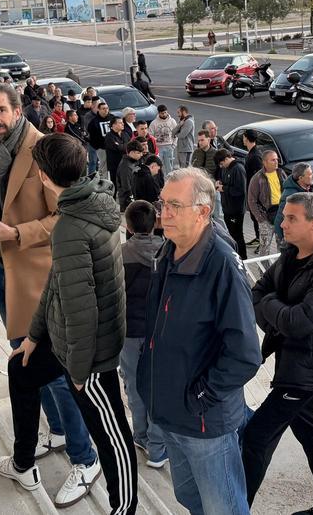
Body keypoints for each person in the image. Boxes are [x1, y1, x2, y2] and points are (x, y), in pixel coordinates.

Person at [0, 83, 102, 507]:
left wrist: (18, 234)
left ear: (17, 108)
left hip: (40, 282)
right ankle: (60, 433)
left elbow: (69, 213)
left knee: (53, 372)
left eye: (1, 111)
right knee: (23, 362)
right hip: (2, 274)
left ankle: (87, 458)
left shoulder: (44, 149)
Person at [1, 135, 138, 514]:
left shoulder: (70, 227)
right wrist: (33, 337)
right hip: (67, 342)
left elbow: (82, 310)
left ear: (44, 176)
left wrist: (79, 373)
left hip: (90, 356)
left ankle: (123, 508)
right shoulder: (93, 201)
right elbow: (59, 282)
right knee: (21, 367)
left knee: (112, 438)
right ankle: (23, 464)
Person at [137, 168, 260, 515]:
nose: (165, 214)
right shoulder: (168, 250)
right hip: (169, 412)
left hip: (204, 423)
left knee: (224, 508)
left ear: (203, 212)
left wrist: (201, 396)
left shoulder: (221, 265)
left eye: (175, 205)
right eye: (163, 204)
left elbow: (246, 354)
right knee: (191, 500)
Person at [242, 192, 313, 514]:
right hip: (291, 357)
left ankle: (234, 507)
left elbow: (297, 322)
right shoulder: (291, 255)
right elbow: (257, 292)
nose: (282, 223)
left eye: (291, 218)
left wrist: (273, 307)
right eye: (283, 216)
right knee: (312, 434)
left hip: (308, 365)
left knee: (256, 438)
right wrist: (276, 308)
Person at [119, 201, 168, 469]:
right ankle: (158, 448)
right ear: (155, 223)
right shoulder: (167, 254)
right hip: (159, 333)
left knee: (134, 385)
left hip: (128, 333)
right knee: (158, 387)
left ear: (127, 226)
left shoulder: (119, 254)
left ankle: (140, 435)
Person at [247, 150, 287, 255]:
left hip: (281, 215)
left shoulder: (280, 173)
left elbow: (287, 190)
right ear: (265, 162)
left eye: (276, 159)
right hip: (266, 217)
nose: (276, 162)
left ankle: (281, 269)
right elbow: (251, 200)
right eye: (273, 160)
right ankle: (264, 271)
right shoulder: (257, 178)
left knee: (282, 245)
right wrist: (260, 219)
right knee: (265, 248)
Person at [215, 149, 248, 259]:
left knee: (237, 236)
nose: (221, 166)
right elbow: (224, 180)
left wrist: (223, 188)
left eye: (221, 163)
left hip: (236, 209)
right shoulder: (226, 168)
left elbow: (240, 190)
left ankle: (242, 259)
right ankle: (236, 257)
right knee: (232, 235)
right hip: (227, 208)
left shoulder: (238, 169)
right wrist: (220, 182)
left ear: (226, 159)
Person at [273, 162, 313, 249]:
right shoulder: (290, 196)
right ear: (301, 178)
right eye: (310, 174)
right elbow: (281, 218)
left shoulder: (306, 189)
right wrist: (284, 239)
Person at [87, 100, 115, 179]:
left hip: (113, 147)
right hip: (102, 148)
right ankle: (103, 182)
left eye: (107, 108)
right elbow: (91, 137)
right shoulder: (94, 122)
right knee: (104, 166)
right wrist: (98, 147)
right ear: (98, 110)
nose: (106, 110)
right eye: (103, 108)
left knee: (115, 165)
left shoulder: (112, 118)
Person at [116, 140, 145, 211]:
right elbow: (126, 188)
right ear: (131, 152)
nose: (141, 155)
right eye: (138, 153)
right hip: (128, 204)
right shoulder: (126, 167)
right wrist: (133, 203)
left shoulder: (134, 161)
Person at [149, 105, 178, 171]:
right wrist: (154, 147)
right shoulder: (154, 123)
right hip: (158, 148)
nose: (164, 114)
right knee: (158, 167)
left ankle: (169, 180)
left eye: (165, 112)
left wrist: (173, 145)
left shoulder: (172, 121)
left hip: (169, 147)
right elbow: (150, 136)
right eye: (162, 113)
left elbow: (176, 134)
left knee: (169, 167)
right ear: (159, 113)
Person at [105, 118, 128, 187]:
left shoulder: (125, 134)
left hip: (125, 163)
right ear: (114, 125)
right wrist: (124, 146)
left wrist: (121, 146)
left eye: (122, 122)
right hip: (115, 165)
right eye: (120, 123)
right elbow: (117, 148)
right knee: (115, 184)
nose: (123, 124)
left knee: (126, 183)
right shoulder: (109, 136)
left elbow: (130, 146)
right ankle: (114, 197)